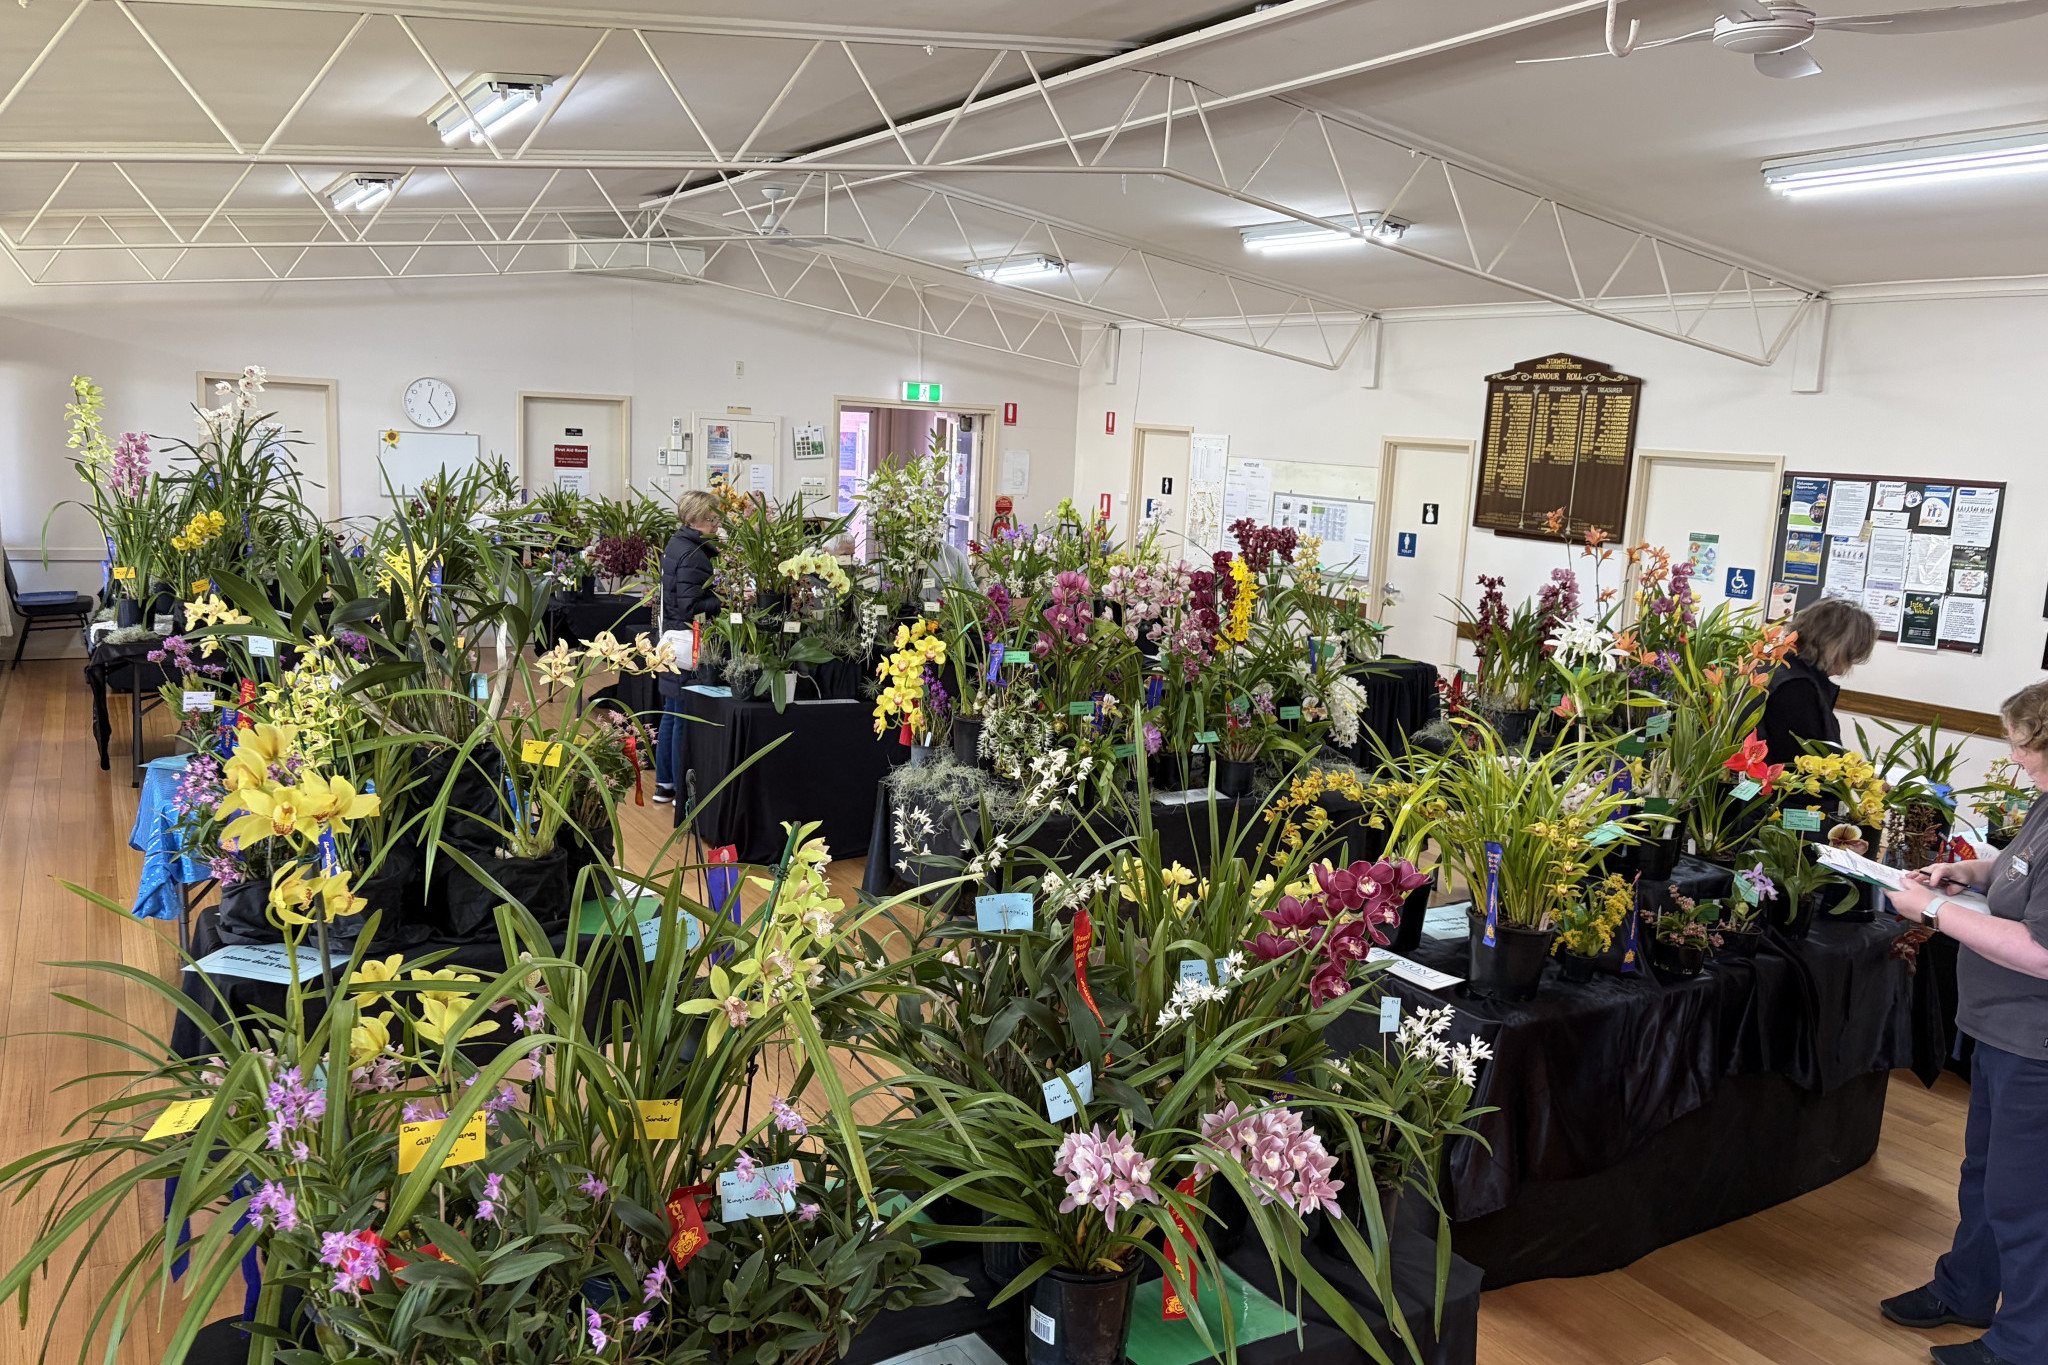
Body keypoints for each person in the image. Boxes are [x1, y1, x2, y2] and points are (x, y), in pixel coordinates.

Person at [1881, 680, 2048, 1365]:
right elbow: (2024, 871)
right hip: (2002, 1028)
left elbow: (2043, 954)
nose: (2014, 764)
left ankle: (2025, 1347)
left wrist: (1931, 913)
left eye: (2023, 751)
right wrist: (1971, 874)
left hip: (2036, 1043)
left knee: (2026, 1200)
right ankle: (1969, 1287)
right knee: (1985, 1174)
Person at [653, 490, 722, 804]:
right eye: (711, 519)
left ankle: (664, 784)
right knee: (681, 716)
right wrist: (720, 600)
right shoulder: (694, 554)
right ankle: (683, 791)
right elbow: (691, 606)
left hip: (670, 639)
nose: (717, 524)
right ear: (694, 520)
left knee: (671, 712)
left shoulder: (677, 544)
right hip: (686, 642)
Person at [1757, 598, 1877, 766]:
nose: (1844, 669)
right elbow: (1803, 759)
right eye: (1848, 657)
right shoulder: (1797, 687)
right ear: (1833, 644)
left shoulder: (1776, 663)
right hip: (1786, 787)